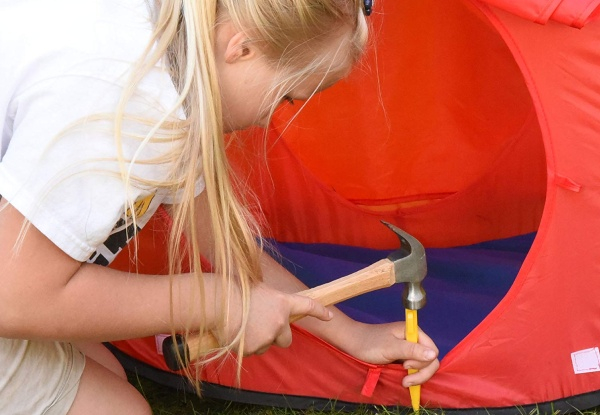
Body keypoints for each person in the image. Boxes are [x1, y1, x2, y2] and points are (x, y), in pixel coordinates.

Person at [0, 0, 440, 414]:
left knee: (107, 377)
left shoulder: (171, 46)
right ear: (241, 45)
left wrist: (353, 336)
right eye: (287, 96)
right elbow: (13, 298)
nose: (271, 119)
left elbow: (224, 244)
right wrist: (216, 302)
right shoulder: (132, 100)